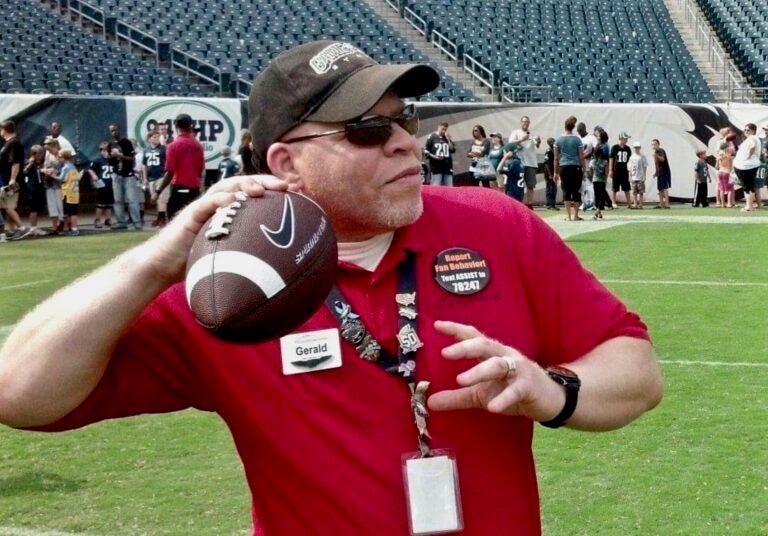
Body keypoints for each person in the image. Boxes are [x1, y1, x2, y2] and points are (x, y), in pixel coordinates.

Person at [0, 40, 662, 535]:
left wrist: (555, 391)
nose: (405, 143)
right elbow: (21, 395)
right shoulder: (227, 286)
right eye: (369, 131)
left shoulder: (495, 225)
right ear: (287, 162)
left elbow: (633, 365)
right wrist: (154, 261)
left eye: (406, 121)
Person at [152, 113, 205, 220]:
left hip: (180, 190)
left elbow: (170, 173)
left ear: (176, 127)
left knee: (173, 224)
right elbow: (200, 171)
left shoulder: (173, 146)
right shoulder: (198, 146)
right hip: (194, 191)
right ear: (190, 126)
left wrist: (158, 192)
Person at [0, 120, 32, 239]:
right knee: (7, 205)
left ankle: (22, 228)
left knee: (7, 206)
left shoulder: (13, 143)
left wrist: (12, 179)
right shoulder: (9, 143)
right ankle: (13, 230)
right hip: (6, 178)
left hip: (11, 180)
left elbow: (16, 163)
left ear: (5, 130)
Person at [107, 124, 141, 230]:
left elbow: (132, 158)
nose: (114, 133)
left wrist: (120, 156)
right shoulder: (110, 144)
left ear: (119, 130)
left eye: (116, 130)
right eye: (112, 131)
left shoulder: (126, 142)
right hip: (117, 174)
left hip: (128, 175)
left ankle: (137, 222)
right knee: (117, 200)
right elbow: (110, 160)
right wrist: (111, 158)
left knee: (132, 200)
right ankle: (121, 222)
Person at [554, 115, 587, 221]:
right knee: (576, 190)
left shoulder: (558, 140)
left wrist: (555, 172)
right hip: (576, 167)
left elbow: (556, 158)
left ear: (565, 126)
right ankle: (576, 215)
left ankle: (568, 216)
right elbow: (582, 157)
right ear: (573, 127)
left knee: (566, 191)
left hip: (563, 167)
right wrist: (584, 170)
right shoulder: (577, 140)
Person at [83, 142, 117, 228]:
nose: (105, 152)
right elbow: (90, 169)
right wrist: (94, 175)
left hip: (111, 184)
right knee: (101, 203)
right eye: (103, 150)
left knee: (109, 203)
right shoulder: (98, 160)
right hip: (102, 184)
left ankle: (108, 219)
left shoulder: (112, 160)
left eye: (107, 150)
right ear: (100, 151)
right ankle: (97, 220)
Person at [509, 116, 540, 209]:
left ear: (529, 123)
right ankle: (518, 205)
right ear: (520, 122)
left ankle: (529, 204)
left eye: (527, 122)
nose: (525, 123)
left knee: (531, 185)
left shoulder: (532, 134)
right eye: (523, 121)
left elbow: (537, 145)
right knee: (519, 185)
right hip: (519, 163)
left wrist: (538, 141)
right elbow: (510, 144)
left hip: (531, 163)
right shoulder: (515, 132)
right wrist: (522, 139)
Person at [21, 144, 49, 237]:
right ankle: (33, 228)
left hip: (40, 187)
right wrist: (30, 163)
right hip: (32, 188)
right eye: (39, 154)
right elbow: (24, 171)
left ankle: (35, 227)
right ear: (33, 154)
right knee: (33, 209)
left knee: (37, 209)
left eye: (42, 154)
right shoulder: (29, 162)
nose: (41, 156)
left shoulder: (40, 164)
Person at [142, 130, 168, 227]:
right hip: (151, 177)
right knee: (155, 200)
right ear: (149, 139)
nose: (156, 139)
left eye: (158, 137)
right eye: (154, 137)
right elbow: (144, 165)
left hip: (161, 176)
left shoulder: (164, 149)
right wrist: (144, 178)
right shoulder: (146, 150)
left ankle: (162, 220)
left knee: (162, 199)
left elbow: (168, 162)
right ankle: (159, 217)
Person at [733, 123, 761, 212]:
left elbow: (752, 146)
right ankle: (750, 206)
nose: (746, 131)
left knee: (746, 187)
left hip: (745, 166)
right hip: (750, 165)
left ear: (753, 130)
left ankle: (748, 207)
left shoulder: (752, 138)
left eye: (748, 130)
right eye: (745, 130)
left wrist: (748, 156)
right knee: (750, 186)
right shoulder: (755, 138)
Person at [41, 137, 64, 234]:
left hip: (59, 184)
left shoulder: (61, 154)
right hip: (49, 184)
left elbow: (65, 168)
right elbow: (43, 167)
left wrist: (54, 171)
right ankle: (55, 227)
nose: (48, 149)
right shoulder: (47, 155)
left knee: (60, 205)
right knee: (52, 206)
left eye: (49, 146)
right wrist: (45, 171)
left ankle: (62, 225)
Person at [423, 121, 455, 187]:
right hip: (436, 168)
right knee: (436, 187)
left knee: (449, 189)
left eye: (445, 129)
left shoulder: (446, 138)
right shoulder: (432, 137)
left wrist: (448, 139)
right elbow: (425, 151)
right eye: (442, 129)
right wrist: (434, 157)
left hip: (447, 168)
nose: (444, 131)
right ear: (438, 127)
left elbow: (452, 150)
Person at [58, 149, 81, 235]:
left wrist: (51, 175)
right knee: (70, 212)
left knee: (71, 212)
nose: (59, 159)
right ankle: (68, 228)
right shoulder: (73, 167)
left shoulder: (65, 168)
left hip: (68, 193)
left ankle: (74, 229)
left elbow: (62, 179)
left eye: (60, 157)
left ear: (63, 158)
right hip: (75, 192)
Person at [609, 132, 633, 208]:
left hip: (624, 170)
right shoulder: (615, 147)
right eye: (625, 139)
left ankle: (629, 203)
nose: (626, 140)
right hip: (616, 170)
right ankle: (613, 202)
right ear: (621, 139)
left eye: (626, 139)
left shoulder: (628, 148)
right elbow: (611, 159)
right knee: (615, 187)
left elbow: (630, 160)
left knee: (626, 187)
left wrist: (630, 170)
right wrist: (610, 170)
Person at [592, 129, 610, 220]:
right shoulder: (599, 146)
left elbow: (606, 156)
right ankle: (599, 210)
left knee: (598, 193)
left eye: (599, 136)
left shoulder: (605, 146)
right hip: (601, 176)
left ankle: (599, 210)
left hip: (596, 177)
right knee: (601, 193)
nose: (597, 137)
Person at [651, 139, 671, 209]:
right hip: (660, 172)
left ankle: (667, 204)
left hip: (665, 171)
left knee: (665, 188)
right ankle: (661, 204)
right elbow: (657, 164)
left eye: (655, 144)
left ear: (658, 144)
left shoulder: (661, 150)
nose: (653, 146)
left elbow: (662, 159)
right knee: (660, 189)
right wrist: (656, 172)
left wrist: (656, 155)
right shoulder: (655, 152)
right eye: (652, 144)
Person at [628, 142, 648, 209]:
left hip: (640, 176)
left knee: (641, 191)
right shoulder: (632, 157)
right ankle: (635, 204)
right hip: (634, 176)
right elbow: (629, 167)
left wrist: (644, 176)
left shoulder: (642, 156)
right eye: (635, 148)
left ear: (640, 148)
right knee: (634, 192)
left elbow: (645, 166)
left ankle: (641, 204)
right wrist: (630, 176)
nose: (637, 149)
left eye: (638, 147)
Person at [715, 141, 735, 208]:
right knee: (730, 189)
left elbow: (716, 167)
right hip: (727, 172)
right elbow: (732, 166)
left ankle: (723, 204)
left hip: (720, 172)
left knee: (721, 189)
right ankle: (729, 203)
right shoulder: (729, 156)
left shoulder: (719, 156)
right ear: (726, 148)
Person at [543, 137, 558, 209]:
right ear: (549, 143)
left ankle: (553, 204)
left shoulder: (555, 150)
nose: (554, 142)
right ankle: (549, 204)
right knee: (549, 187)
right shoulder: (548, 151)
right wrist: (549, 174)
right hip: (548, 173)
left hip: (554, 172)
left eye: (554, 141)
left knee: (554, 188)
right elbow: (546, 163)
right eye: (552, 141)